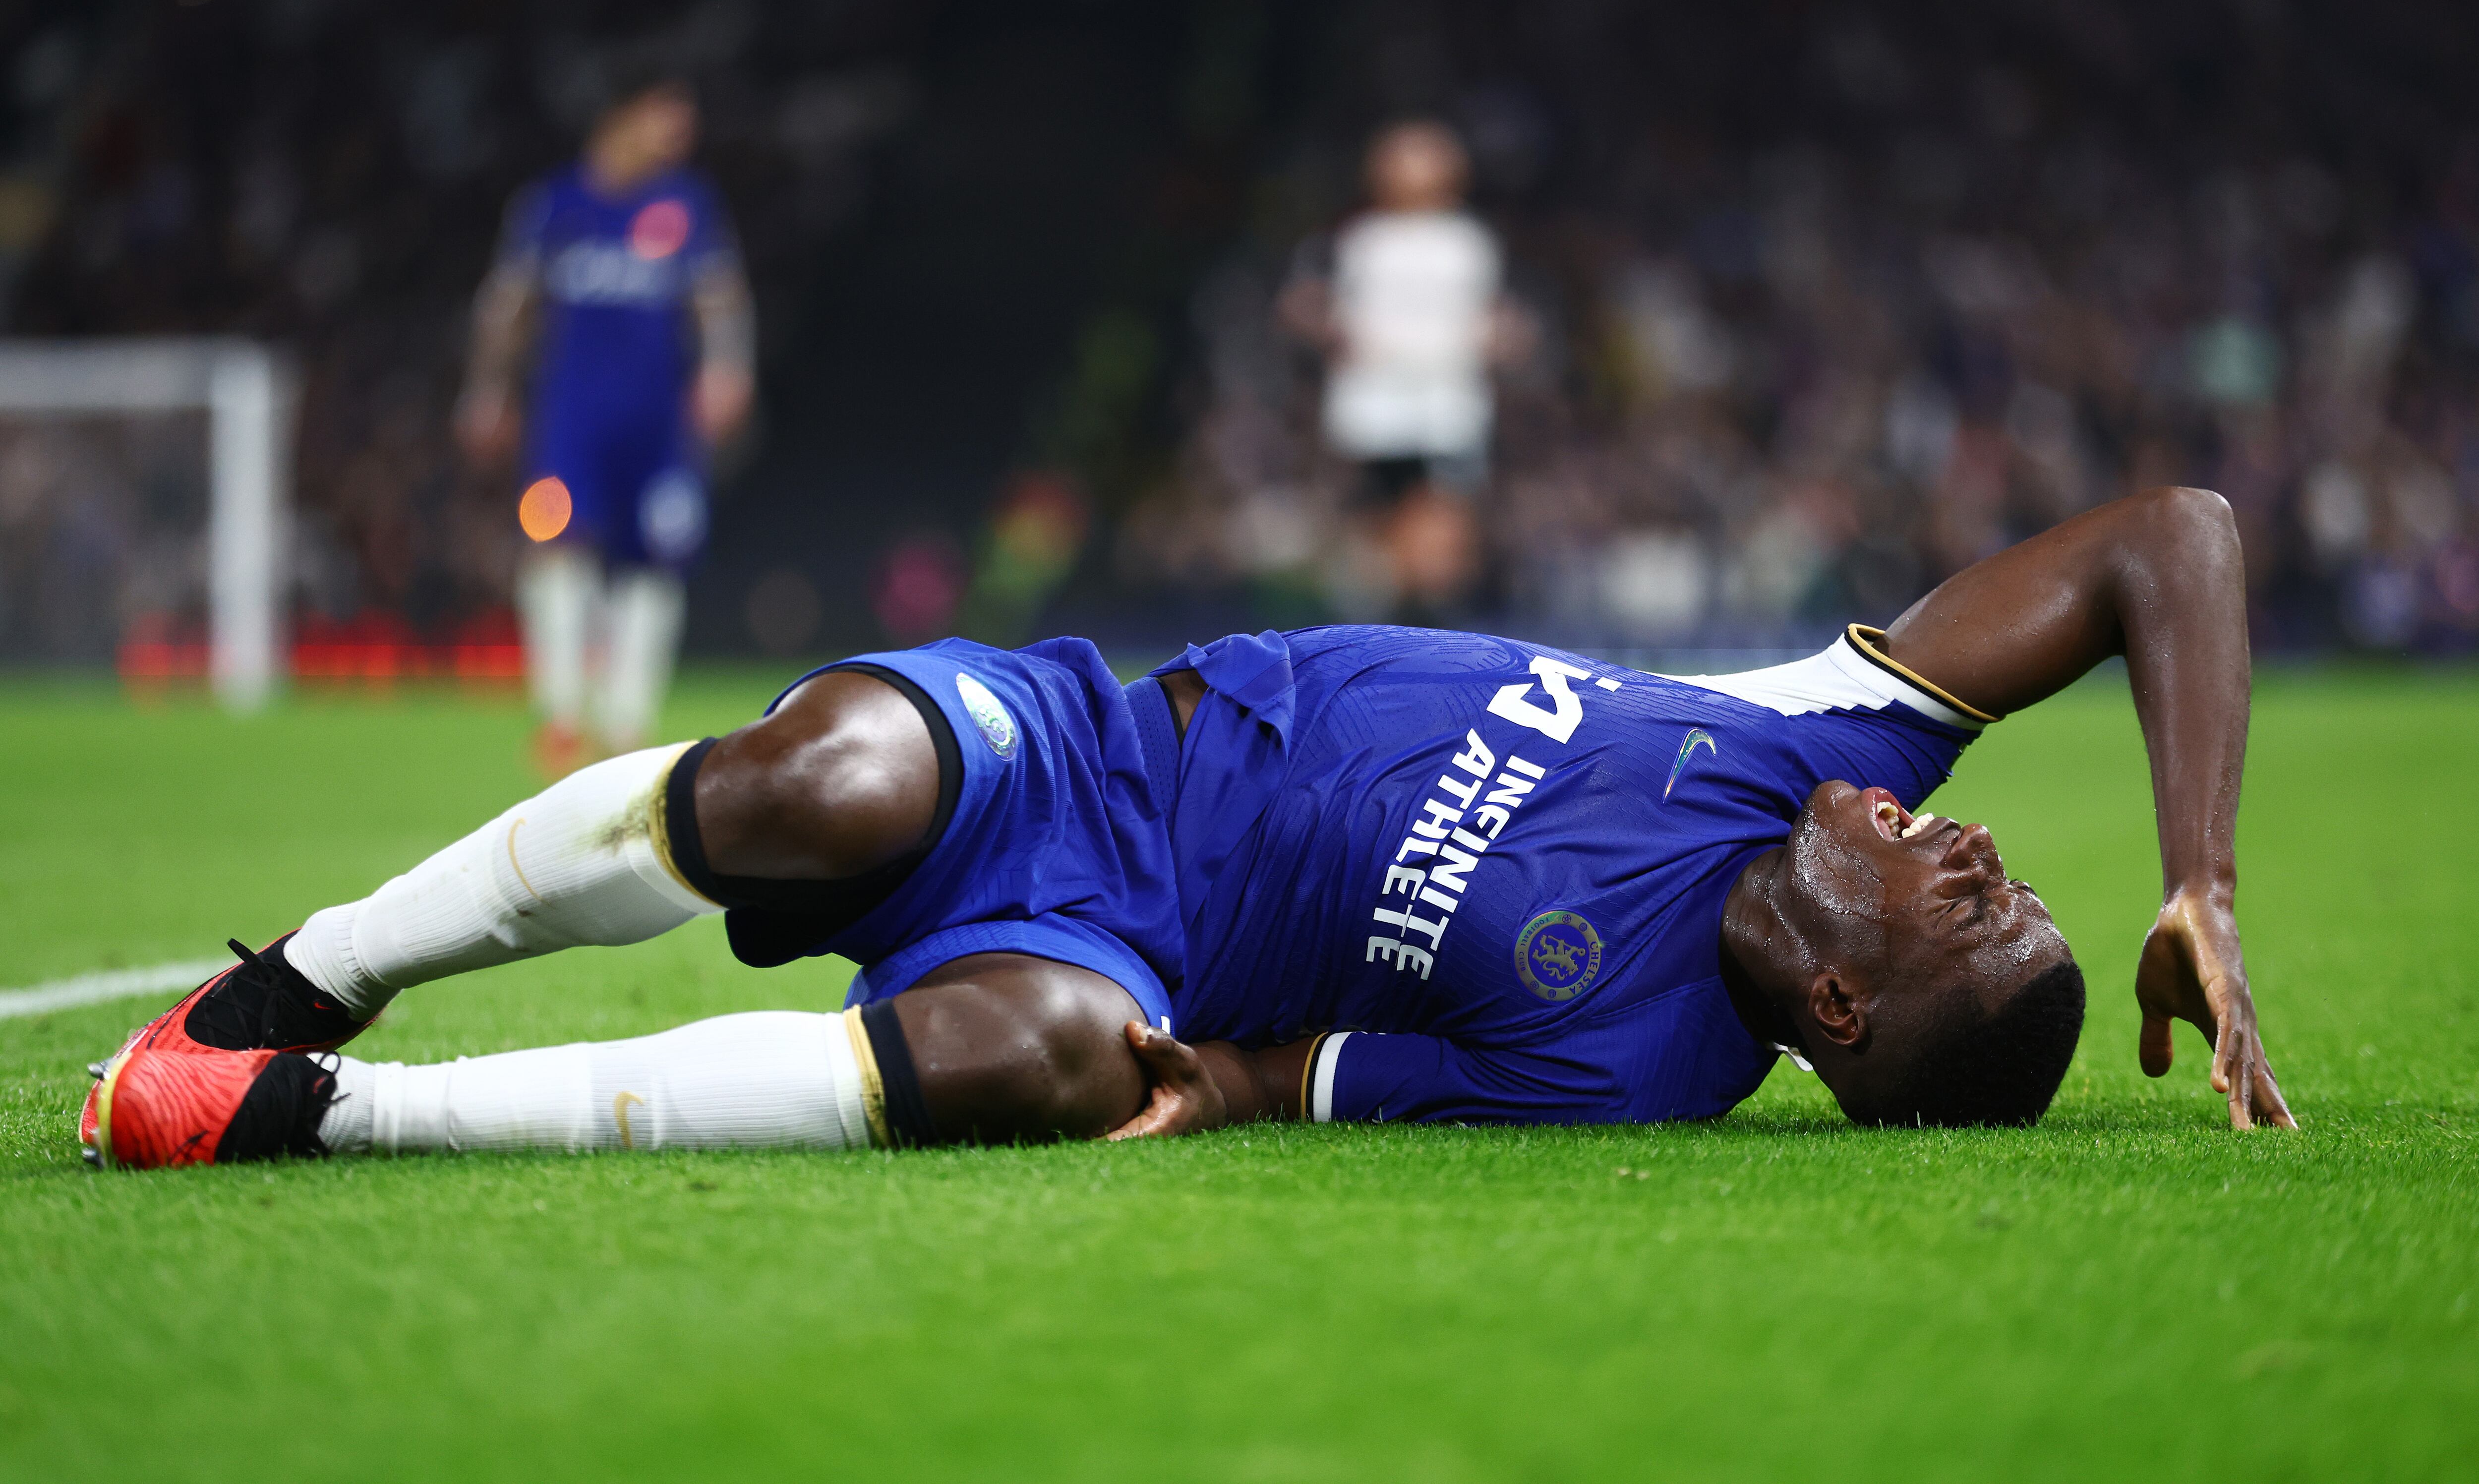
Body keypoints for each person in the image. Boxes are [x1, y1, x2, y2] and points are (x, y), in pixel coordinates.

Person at [78, 489, 2291, 1169]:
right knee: (807, 785)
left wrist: (1183, 1076)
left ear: (1835, 1000)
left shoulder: (1636, 1067)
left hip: (1114, 943)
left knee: (1036, 1063)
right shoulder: (1842, 731)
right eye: (1984, 865)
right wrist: (2191, 869)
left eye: (1968, 914)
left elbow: (1285, 1072)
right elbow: (2167, 543)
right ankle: (321, 964)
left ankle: (315, 1110)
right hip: (1081, 753)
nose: (1986, 854)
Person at [457, 70, 756, 772]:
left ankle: (627, 723)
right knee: (556, 546)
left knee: (656, 559)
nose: (681, 135)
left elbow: (720, 299)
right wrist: (487, 389)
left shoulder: (688, 204)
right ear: (621, 116)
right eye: (667, 117)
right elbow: (508, 303)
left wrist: (727, 368)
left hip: (659, 423)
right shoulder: (555, 204)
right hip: (571, 417)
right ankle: (560, 716)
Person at [1279, 120, 1529, 612]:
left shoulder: (1467, 242)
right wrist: (1332, 329)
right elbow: (1304, 303)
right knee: (1380, 524)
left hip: (1444, 405)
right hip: (1373, 408)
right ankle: (1391, 627)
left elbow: (1500, 319)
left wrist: (1498, 340)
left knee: (1438, 520)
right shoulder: (1356, 240)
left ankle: (1427, 625)